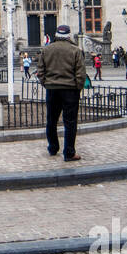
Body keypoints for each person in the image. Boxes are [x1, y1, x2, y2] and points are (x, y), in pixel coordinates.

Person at [36, 23, 87, 162]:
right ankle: (69, 152)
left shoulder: (46, 50)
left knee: (51, 120)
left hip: (52, 89)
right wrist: (77, 87)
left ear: (56, 35)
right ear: (69, 35)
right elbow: (81, 73)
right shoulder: (75, 50)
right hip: (70, 90)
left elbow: (40, 71)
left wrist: (46, 83)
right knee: (70, 122)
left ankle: (53, 148)